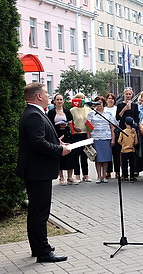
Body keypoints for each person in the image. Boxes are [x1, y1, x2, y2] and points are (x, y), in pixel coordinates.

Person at [17, 82, 69, 263]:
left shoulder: (36, 113)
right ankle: (43, 252)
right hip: (37, 171)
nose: (49, 96)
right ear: (39, 96)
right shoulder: (33, 115)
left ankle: (38, 247)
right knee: (40, 213)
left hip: (37, 171)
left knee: (37, 211)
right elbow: (38, 143)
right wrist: (59, 150)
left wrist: (58, 143)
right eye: (47, 93)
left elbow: (42, 138)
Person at [47, 94, 78, 185]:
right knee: (60, 156)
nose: (59, 101)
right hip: (57, 135)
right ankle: (61, 177)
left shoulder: (67, 112)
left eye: (61, 99)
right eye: (57, 99)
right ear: (54, 101)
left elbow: (71, 123)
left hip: (67, 135)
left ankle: (70, 177)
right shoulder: (51, 112)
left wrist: (68, 126)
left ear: (63, 101)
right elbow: (50, 125)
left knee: (70, 156)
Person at [87, 96, 116, 183]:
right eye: (97, 103)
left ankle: (104, 175)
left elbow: (112, 127)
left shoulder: (108, 114)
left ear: (104, 104)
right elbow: (88, 128)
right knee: (98, 158)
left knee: (106, 158)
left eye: (100, 103)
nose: (99, 105)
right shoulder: (91, 114)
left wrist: (113, 139)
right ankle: (99, 176)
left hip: (106, 138)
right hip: (95, 138)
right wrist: (89, 140)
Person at [70, 93, 91, 182]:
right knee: (75, 156)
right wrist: (74, 127)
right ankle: (77, 175)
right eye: (77, 98)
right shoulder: (72, 110)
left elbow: (90, 122)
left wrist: (89, 134)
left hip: (85, 134)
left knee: (84, 155)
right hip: (76, 135)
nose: (79, 99)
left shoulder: (88, 109)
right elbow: (70, 122)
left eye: (81, 98)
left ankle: (86, 175)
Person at [104, 93, 120, 179]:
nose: (110, 100)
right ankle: (108, 171)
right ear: (106, 100)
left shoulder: (116, 109)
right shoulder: (104, 109)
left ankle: (117, 171)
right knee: (108, 153)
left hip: (116, 131)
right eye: (109, 98)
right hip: (106, 132)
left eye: (112, 98)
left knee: (116, 153)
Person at [118, 116, 139, 181]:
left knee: (124, 164)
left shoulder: (122, 131)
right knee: (132, 164)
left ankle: (125, 176)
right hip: (131, 150)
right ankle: (132, 177)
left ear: (125, 123)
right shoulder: (133, 132)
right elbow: (136, 142)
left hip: (124, 150)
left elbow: (119, 141)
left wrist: (123, 145)